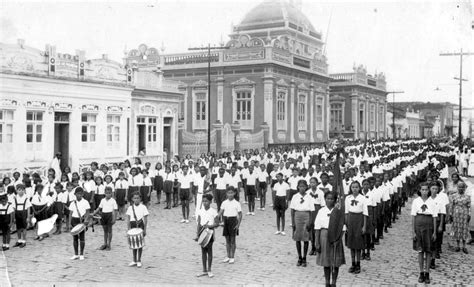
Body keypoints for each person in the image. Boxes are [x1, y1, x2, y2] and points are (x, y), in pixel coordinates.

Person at [314, 191, 345, 287]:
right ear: (325, 199)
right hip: (324, 236)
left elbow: (342, 228)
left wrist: (338, 239)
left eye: (332, 199)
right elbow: (317, 228)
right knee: (326, 261)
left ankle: (334, 282)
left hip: (336, 237)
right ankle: (327, 282)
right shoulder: (321, 211)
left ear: (335, 200)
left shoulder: (338, 212)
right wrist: (317, 242)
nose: (329, 200)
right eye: (328, 198)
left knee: (335, 262)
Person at [411, 182, 437, 284]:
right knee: (420, 250)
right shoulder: (416, 201)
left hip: (429, 225)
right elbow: (413, 216)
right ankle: (421, 272)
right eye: (423, 190)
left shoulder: (432, 202)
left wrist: (434, 232)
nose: (425, 192)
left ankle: (427, 273)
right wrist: (413, 231)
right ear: (420, 190)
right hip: (419, 224)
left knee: (429, 250)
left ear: (429, 191)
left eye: (426, 190)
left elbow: (434, 217)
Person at [290, 180, 315, 267]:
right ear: (297, 187)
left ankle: (304, 258)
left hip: (306, 216)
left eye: (303, 186)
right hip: (297, 216)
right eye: (300, 186)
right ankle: (299, 257)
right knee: (298, 238)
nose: (302, 188)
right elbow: (292, 210)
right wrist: (293, 222)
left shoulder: (309, 197)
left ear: (306, 187)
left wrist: (310, 222)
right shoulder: (295, 196)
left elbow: (312, 210)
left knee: (306, 238)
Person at [345, 181, 368, 274]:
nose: (354, 189)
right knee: (351, 244)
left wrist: (364, 226)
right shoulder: (348, 198)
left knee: (358, 244)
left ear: (360, 188)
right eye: (353, 187)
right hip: (350, 220)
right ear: (350, 188)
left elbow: (365, 213)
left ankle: (358, 264)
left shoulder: (362, 198)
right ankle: (353, 263)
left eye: (356, 187)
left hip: (359, 220)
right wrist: (346, 224)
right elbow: (346, 212)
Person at [196, 193, 218, 278]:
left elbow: (217, 223)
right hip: (202, 232)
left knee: (209, 250)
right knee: (203, 251)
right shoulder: (200, 211)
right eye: (203, 201)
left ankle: (209, 269)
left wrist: (209, 226)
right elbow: (198, 223)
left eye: (206, 201)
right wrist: (197, 234)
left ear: (210, 202)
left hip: (210, 232)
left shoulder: (213, 211)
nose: (205, 203)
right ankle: (204, 270)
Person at [218, 187, 242, 264]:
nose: (230, 194)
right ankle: (228, 256)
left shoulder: (237, 203)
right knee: (227, 240)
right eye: (228, 193)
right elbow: (220, 213)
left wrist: (238, 225)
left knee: (232, 240)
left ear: (234, 193)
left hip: (233, 221)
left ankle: (232, 256)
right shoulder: (224, 203)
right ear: (226, 194)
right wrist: (218, 221)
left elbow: (240, 214)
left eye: (231, 193)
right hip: (226, 221)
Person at [126, 192, 149, 268]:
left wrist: (145, 229)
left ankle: (139, 260)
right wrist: (128, 229)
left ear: (140, 199)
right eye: (135, 198)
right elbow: (128, 219)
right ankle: (134, 260)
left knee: (140, 243)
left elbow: (145, 219)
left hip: (140, 225)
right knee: (133, 244)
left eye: (138, 198)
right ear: (132, 199)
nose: (136, 199)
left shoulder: (143, 207)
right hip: (132, 225)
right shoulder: (130, 208)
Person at [68, 187, 91, 261]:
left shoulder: (85, 202)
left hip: (81, 220)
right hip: (74, 220)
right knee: (74, 238)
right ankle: (75, 254)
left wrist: (86, 220)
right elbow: (70, 214)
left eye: (81, 194)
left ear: (83, 194)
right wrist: (69, 223)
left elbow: (87, 212)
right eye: (78, 194)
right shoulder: (72, 203)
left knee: (82, 237)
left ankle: (81, 254)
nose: (79, 195)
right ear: (75, 194)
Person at [448, 181, 471, 254]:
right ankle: (457, 245)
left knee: (464, 229)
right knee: (457, 229)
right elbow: (451, 206)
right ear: (457, 188)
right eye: (459, 187)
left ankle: (464, 246)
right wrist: (451, 214)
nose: (461, 188)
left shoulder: (467, 196)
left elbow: (469, 207)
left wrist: (469, 215)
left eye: (462, 187)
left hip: (464, 214)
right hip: (456, 214)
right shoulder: (454, 196)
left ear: (464, 188)